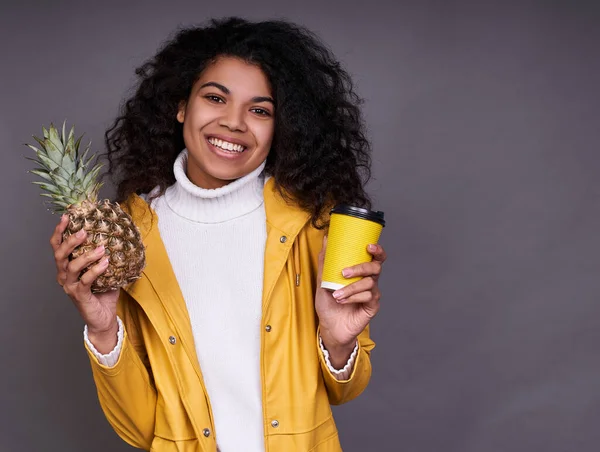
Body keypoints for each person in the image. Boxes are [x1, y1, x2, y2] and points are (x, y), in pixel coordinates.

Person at [50, 17, 387, 452]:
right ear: (181, 107)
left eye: (260, 110)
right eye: (215, 98)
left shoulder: (315, 226)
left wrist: (338, 342)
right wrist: (102, 330)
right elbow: (140, 429)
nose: (233, 123)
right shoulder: (129, 237)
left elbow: (344, 390)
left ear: (279, 127)